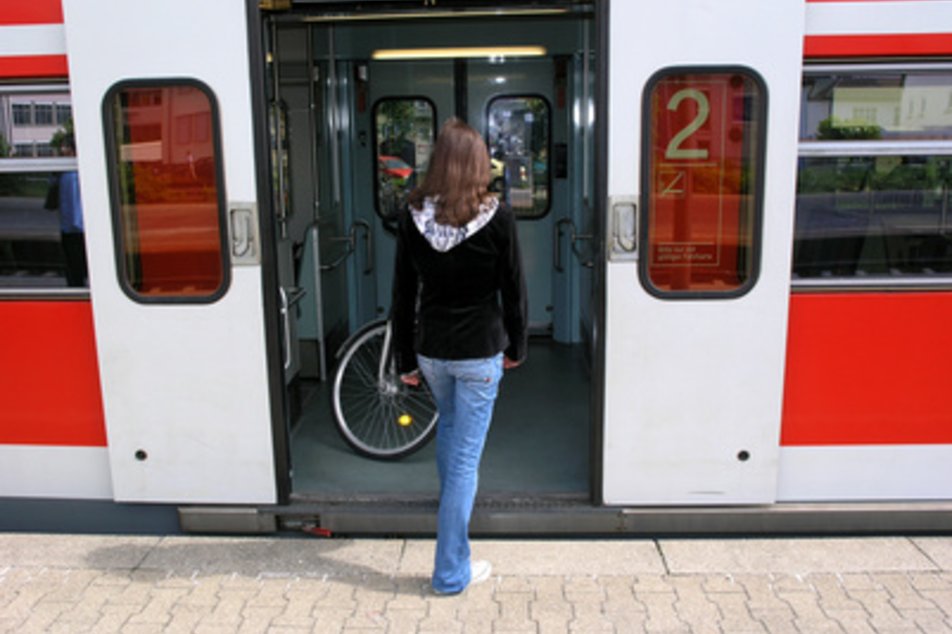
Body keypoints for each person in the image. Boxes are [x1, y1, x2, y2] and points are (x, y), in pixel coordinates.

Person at [391, 118, 528, 595]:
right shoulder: (500, 218)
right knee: (466, 462)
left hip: (433, 350)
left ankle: (457, 550)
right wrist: (517, 346)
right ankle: (451, 572)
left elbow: (403, 294)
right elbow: (514, 291)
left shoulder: (411, 216)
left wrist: (404, 360)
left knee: (449, 431)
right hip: (479, 352)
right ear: (475, 165)